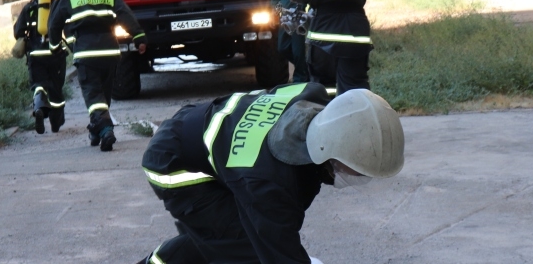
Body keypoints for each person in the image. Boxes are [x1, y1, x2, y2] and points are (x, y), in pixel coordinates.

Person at [137, 84, 405, 263]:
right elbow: (280, 253)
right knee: (247, 247)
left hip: (199, 128)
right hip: (175, 165)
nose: (355, 177)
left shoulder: (314, 97)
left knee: (223, 235)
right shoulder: (268, 184)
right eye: (354, 170)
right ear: (328, 152)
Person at [47, 0, 147, 152]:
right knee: (104, 94)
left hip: (86, 54)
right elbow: (126, 15)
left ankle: (106, 129)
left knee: (93, 95)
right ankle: (96, 129)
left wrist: (54, 47)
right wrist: (139, 37)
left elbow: (54, 24)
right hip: (110, 53)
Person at [13, 0, 67, 134]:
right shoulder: (57, 5)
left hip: (35, 55)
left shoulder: (28, 8)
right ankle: (56, 123)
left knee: (38, 85)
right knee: (56, 88)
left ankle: (39, 108)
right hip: (55, 53)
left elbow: (18, 32)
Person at [272, 0, 309, 83]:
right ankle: (305, 69)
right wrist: (274, 9)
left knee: (298, 51)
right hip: (284, 17)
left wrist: (302, 7)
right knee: (282, 48)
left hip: (297, 17)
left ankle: (300, 79)